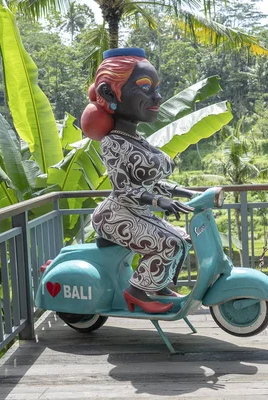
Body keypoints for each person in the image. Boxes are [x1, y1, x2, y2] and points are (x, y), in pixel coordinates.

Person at [82, 48, 197, 314]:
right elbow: (123, 191)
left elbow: (151, 183)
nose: (157, 97)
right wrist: (159, 200)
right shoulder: (113, 142)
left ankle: (156, 283)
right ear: (110, 94)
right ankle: (137, 290)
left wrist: (186, 193)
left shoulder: (137, 140)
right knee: (169, 242)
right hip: (115, 214)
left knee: (183, 238)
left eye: (156, 88)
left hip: (136, 212)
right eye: (145, 88)